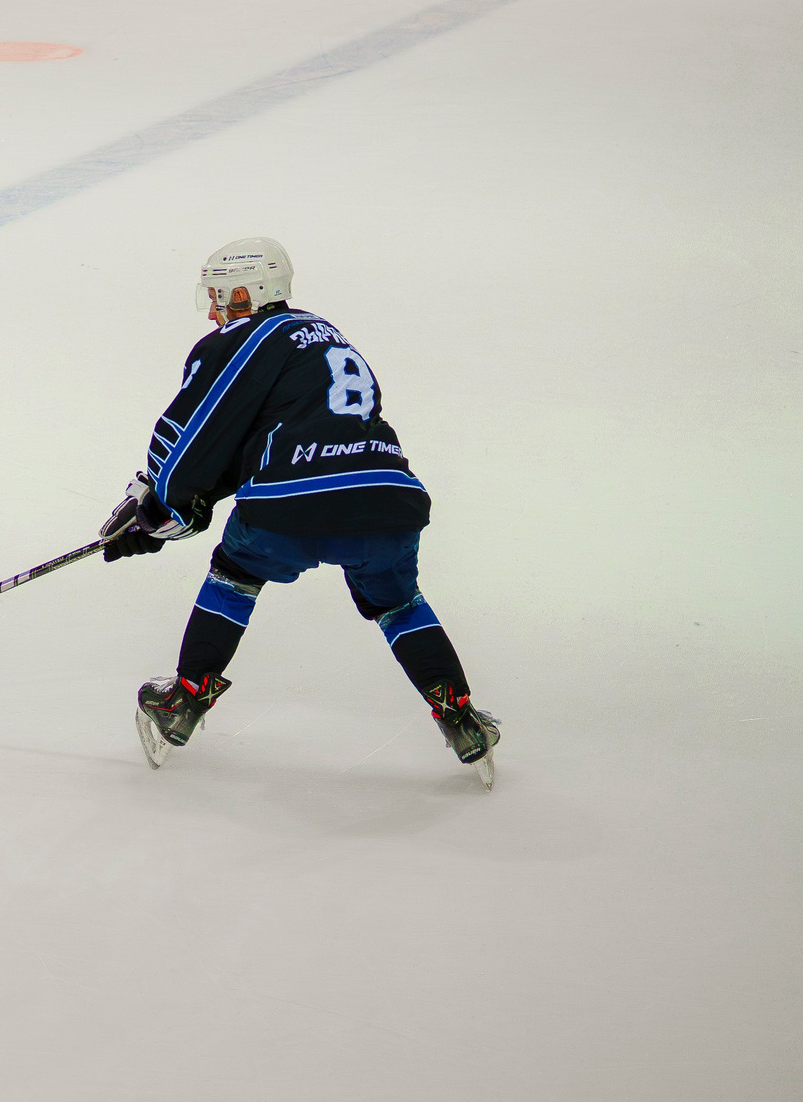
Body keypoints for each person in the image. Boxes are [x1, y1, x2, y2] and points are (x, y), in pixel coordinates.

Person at [97, 238, 500, 781]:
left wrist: (158, 506)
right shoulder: (323, 335)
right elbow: (265, 438)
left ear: (246, 293)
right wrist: (186, 504)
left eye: (219, 296)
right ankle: (460, 714)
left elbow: (198, 434)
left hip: (288, 508)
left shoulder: (243, 340)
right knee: (399, 604)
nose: (213, 310)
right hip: (386, 497)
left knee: (234, 576)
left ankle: (186, 699)